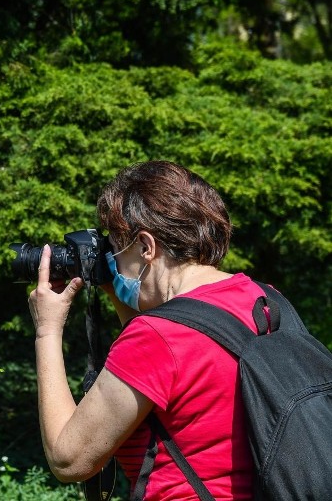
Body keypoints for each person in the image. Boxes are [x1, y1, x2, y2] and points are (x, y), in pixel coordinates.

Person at [28, 160, 256, 500]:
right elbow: (170, 374)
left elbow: (69, 459)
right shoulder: (263, 300)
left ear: (146, 247)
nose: (113, 262)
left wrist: (47, 330)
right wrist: (116, 291)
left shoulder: (158, 337)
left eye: (116, 248)